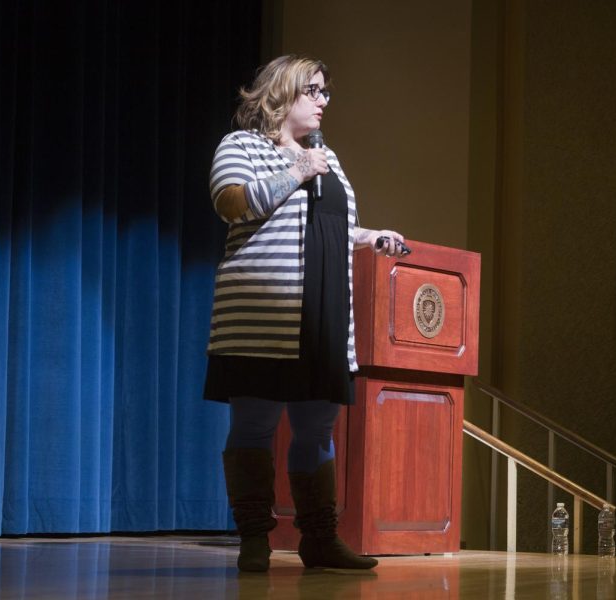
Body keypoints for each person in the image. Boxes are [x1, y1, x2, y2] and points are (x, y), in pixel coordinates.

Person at [203, 55, 406, 573]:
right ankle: (255, 539)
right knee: (254, 426)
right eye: (312, 90)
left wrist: (371, 238)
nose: (323, 101)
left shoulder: (328, 158)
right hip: (262, 314)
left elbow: (330, 224)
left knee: (317, 432)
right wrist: (295, 170)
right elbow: (231, 204)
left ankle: (319, 540)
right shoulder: (242, 146)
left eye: (325, 92)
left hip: (324, 318)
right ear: (281, 93)